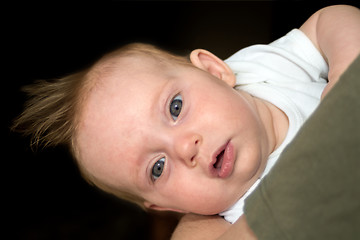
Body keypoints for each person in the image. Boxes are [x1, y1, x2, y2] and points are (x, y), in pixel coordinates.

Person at [12, 4, 359, 236]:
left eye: (175, 108)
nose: (184, 148)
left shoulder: (262, 69)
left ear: (215, 70)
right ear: (167, 207)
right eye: (157, 168)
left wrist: (346, 68)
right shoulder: (221, 221)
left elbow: (332, 18)